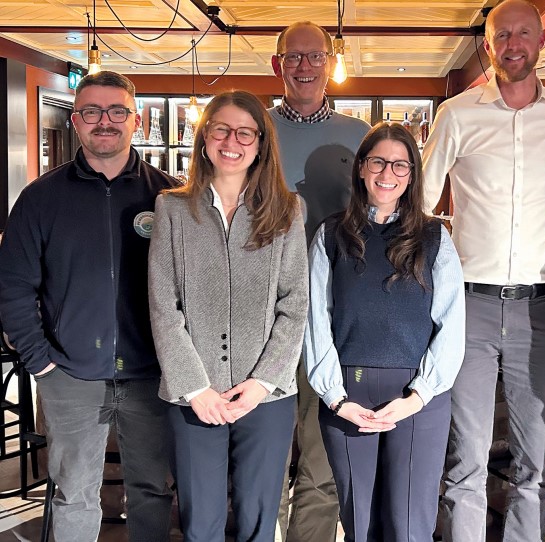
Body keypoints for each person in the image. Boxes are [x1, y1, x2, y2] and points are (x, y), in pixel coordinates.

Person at [422, 1, 545, 540]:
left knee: (534, 464)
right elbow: (420, 201)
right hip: (469, 306)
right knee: (466, 461)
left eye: (524, 33)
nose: (513, 44)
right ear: (488, 45)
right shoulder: (457, 114)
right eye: (503, 35)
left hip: (542, 306)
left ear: (542, 40)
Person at [0, 71, 174, 542]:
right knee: (73, 494)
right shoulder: (40, 198)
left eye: (117, 111)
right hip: (70, 376)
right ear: (75, 121)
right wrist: (41, 364)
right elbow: (13, 287)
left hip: (152, 375)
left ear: (136, 120)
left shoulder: (170, 197)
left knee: (152, 491)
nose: (105, 121)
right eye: (92, 111)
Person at [147, 90, 308, 541]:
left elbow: (295, 304)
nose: (231, 141)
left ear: (260, 144)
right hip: (194, 396)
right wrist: (196, 388)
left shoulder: (288, 210)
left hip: (266, 397)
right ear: (204, 138)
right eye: (221, 129)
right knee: (200, 523)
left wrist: (261, 383)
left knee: (259, 519)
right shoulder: (172, 208)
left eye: (244, 133)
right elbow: (163, 305)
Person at [305, 122, 465, 541]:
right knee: (360, 524)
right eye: (378, 162)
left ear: (412, 174)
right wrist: (335, 398)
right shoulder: (331, 235)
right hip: (347, 394)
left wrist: (419, 396)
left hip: (418, 397)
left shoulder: (434, 237)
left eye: (399, 164)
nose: (387, 173)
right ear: (361, 167)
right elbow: (315, 319)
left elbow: (451, 323)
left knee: (409, 526)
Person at [270, 20, 371, 541]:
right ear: (278, 65)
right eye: (294, 56)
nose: (305, 66)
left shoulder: (360, 136)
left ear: (330, 63)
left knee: (322, 457)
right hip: (261, 316)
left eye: (315, 56)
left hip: (331, 316)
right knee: (262, 458)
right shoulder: (255, 129)